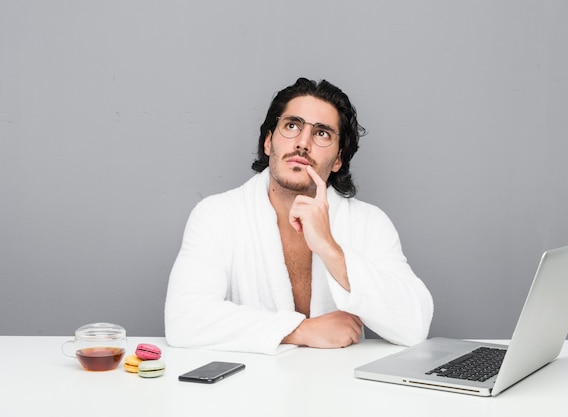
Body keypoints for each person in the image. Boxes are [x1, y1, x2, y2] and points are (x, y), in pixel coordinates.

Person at [164, 78, 433, 354]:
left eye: (322, 133)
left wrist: (330, 248)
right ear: (269, 141)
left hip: (341, 389)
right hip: (246, 389)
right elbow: (183, 319)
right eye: (292, 126)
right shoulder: (216, 216)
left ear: (339, 159)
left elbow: (415, 324)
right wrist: (301, 330)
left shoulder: (369, 223)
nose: (303, 143)